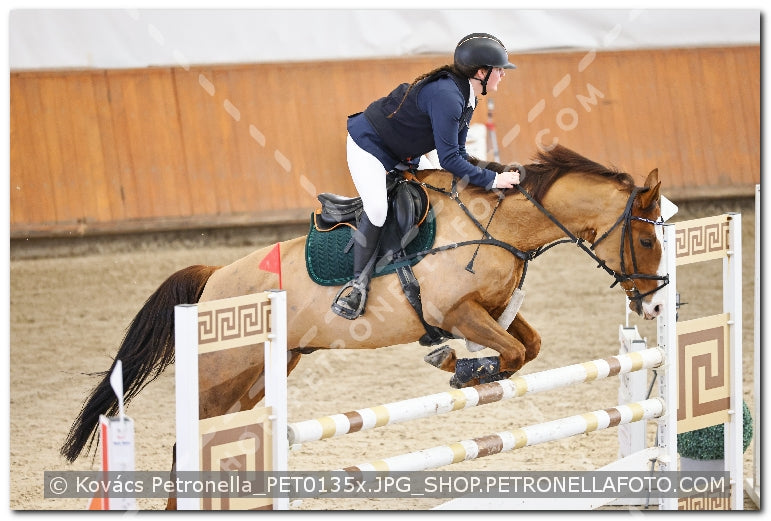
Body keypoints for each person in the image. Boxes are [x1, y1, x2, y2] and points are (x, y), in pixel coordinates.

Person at [332, 32, 521, 319]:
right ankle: (356, 286)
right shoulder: (448, 96)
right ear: (481, 73)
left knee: (439, 184)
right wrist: (493, 181)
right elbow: (450, 158)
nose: (502, 75)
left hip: (405, 151)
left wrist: (495, 171)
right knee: (378, 209)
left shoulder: (467, 96)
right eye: (499, 70)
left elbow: (458, 153)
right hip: (368, 144)